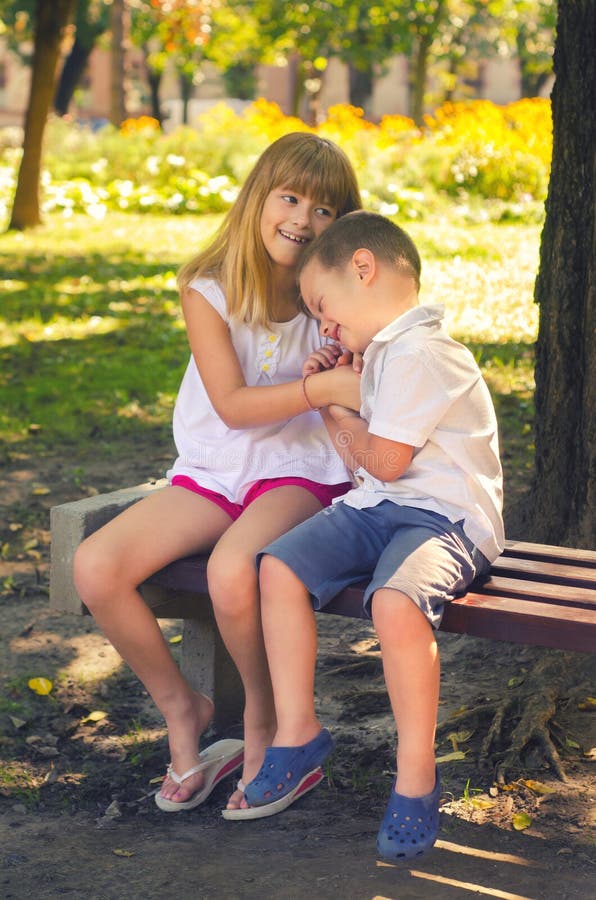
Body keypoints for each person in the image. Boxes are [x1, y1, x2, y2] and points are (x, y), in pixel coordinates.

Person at [73, 133, 363, 815]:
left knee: (234, 569)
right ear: (258, 196)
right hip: (215, 464)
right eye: (289, 197)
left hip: (299, 467)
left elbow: (359, 389)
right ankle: (183, 709)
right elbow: (231, 407)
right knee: (96, 565)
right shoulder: (207, 286)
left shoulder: (337, 294)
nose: (301, 218)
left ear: (342, 224)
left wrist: (335, 385)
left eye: (324, 210)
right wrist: (321, 390)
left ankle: (265, 723)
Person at [242, 211, 505, 860]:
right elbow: (369, 467)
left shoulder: (422, 353)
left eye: (324, 306)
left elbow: (382, 461)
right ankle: (297, 731)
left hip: (445, 517)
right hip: (382, 504)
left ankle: (416, 776)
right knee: (278, 568)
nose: (323, 325)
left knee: (393, 602)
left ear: (364, 268)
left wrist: (328, 398)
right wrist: (343, 387)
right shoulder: (384, 353)